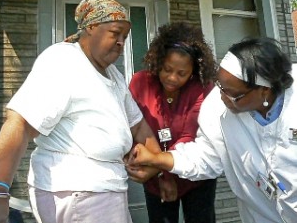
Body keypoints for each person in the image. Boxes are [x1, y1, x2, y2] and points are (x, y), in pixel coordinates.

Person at [0, 0, 161, 223]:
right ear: (91, 27)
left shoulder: (113, 75)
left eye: (125, 36)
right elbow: (20, 123)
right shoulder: (63, 62)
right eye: (115, 33)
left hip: (104, 190)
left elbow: (138, 124)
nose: (121, 42)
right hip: (79, 192)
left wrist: (154, 160)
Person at [127, 37, 297, 223]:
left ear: (264, 90)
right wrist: (157, 159)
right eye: (220, 86)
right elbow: (205, 156)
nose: (222, 96)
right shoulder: (217, 106)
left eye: (232, 93)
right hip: (261, 216)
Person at [128, 22, 217, 223]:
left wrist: (161, 170)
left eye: (182, 73)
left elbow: (189, 136)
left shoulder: (202, 88)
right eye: (167, 69)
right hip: (154, 178)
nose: (172, 78)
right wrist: (161, 177)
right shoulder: (140, 83)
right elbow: (134, 128)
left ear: (193, 71)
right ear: (159, 61)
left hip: (195, 176)